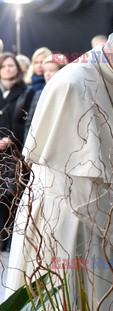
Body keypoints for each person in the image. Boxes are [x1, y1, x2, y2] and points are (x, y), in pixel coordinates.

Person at [5, 11, 113, 311]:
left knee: (110, 306)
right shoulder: (72, 84)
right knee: (71, 305)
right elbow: (82, 185)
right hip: (72, 227)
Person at [0, 52, 35, 252]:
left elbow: (27, 121)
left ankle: (11, 240)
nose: (8, 69)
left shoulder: (26, 92)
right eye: (4, 66)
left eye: (11, 65)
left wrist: (11, 139)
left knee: (12, 197)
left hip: (15, 154)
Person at [24, 52, 68, 137]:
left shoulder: (68, 92)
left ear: (62, 70)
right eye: (45, 71)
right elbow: (30, 124)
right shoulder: (39, 94)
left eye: (51, 71)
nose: (47, 74)